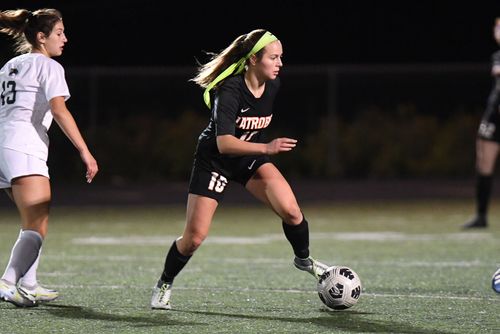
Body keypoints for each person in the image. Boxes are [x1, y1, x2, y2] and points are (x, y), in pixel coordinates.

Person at [150, 29, 329, 310]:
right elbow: (224, 144)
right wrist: (267, 149)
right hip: (215, 161)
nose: (280, 63)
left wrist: (261, 151)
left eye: (281, 57)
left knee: (292, 211)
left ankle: (304, 260)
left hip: (248, 158)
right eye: (273, 57)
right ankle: (164, 282)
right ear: (253, 60)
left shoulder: (273, 85)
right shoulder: (229, 91)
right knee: (194, 239)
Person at [0, 8, 98, 307]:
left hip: (5, 145)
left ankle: (29, 282)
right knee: (37, 222)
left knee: (33, 219)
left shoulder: (10, 65)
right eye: (59, 33)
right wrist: (85, 151)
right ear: (41, 38)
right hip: (23, 146)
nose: (64, 39)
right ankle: (7, 283)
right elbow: (59, 110)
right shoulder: (48, 66)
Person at [463, 17, 500, 229]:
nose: (497, 30)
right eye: (496, 27)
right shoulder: (497, 56)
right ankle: (481, 215)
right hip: (494, 116)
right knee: (483, 163)